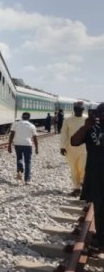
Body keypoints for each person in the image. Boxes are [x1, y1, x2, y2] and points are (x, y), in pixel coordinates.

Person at [71, 103, 104, 250]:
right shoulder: (90, 128)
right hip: (95, 174)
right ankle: (100, 238)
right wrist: (85, 127)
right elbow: (74, 141)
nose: (100, 116)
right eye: (99, 113)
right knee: (99, 208)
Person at [60, 101, 87, 197]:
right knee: (74, 169)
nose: (78, 111)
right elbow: (63, 133)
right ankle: (76, 188)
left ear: (83, 109)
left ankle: (84, 187)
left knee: (83, 168)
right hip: (70, 149)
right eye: (76, 109)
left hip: (84, 149)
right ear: (74, 109)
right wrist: (62, 146)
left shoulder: (87, 119)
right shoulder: (67, 120)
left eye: (80, 109)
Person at [8, 112, 39, 185]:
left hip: (17, 144)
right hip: (27, 145)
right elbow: (35, 138)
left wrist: (9, 145)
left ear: (22, 117)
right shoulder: (32, 126)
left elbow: (11, 135)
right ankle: (27, 180)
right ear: (29, 118)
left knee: (19, 158)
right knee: (27, 162)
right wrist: (36, 148)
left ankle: (19, 170)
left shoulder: (15, 124)